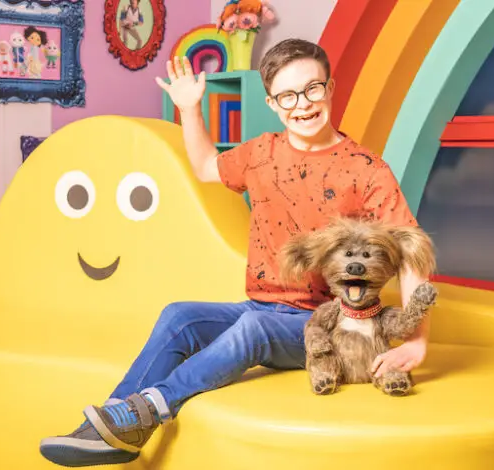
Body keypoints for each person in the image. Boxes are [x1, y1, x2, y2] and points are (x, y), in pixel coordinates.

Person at [39, 38, 430, 467]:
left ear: (330, 88)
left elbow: (412, 254)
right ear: (272, 103)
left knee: (253, 328)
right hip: (260, 304)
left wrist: (416, 341)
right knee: (179, 315)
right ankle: (113, 425)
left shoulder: (365, 168)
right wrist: (189, 107)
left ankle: (149, 410)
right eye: (287, 96)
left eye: (312, 89)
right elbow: (207, 166)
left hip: (329, 325)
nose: (302, 104)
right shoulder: (261, 153)